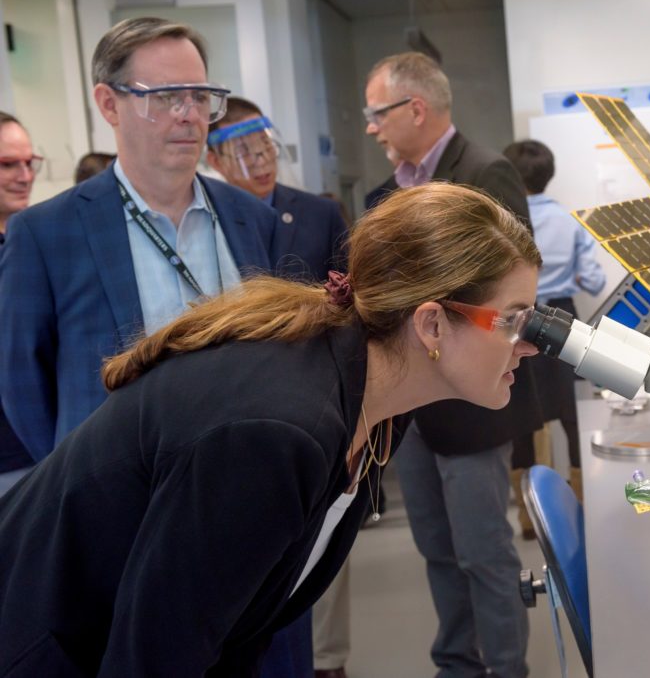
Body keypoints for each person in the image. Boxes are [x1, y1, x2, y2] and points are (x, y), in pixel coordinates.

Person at [0, 181, 542, 676]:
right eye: (513, 320)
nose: (532, 345)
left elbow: (236, 621)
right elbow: (154, 659)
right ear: (430, 325)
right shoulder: (278, 430)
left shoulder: (376, 410)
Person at [0, 17, 277, 464]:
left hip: (245, 471)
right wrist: (78, 476)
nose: (188, 114)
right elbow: (21, 388)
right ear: (109, 104)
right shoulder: (46, 234)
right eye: (165, 97)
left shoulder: (251, 218)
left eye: (200, 96)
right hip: (119, 496)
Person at [364, 51, 542, 677]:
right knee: (435, 549)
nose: (369, 127)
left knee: (483, 553)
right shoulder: (384, 195)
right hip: (409, 406)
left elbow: (512, 292)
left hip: (470, 407)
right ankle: (457, 665)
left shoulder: (486, 175)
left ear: (416, 108)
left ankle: (505, 668)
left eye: (376, 111)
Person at [208, 98, 350, 678]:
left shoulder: (317, 213)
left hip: (316, 397)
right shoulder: (209, 219)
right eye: (243, 153)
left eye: (264, 149)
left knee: (322, 530)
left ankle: (329, 660)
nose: (258, 163)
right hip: (235, 405)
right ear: (215, 158)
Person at [502, 139, 604, 532]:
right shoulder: (569, 219)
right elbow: (593, 280)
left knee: (520, 414)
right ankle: (580, 505)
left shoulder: (504, 221)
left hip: (518, 319)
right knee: (572, 414)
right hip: (563, 317)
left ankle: (529, 516)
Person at [208, 97, 349, 281]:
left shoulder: (322, 214)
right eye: (243, 151)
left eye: (265, 143)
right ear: (216, 162)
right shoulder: (209, 221)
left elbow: (348, 289)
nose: (262, 160)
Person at [0, 111, 41, 495]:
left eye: (30, 163)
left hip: (44, 448)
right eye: (8, 164)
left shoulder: (38, 243)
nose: (24, 176)